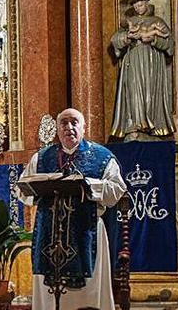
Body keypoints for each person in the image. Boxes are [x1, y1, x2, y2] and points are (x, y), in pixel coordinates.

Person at [19, 108, 127, 309]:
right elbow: (22, 189)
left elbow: (117, 189)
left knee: (88, 292)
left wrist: (89, 186)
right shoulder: (41, 158)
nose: (69, 127)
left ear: (84, 127)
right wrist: (39, 187)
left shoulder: (102, 157)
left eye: (74, 122)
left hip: (87, 230)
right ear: (57, 129)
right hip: (49, 233)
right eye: (64, 123)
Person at [110, 0, 175, 140]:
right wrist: (127, 37)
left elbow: (169, 44)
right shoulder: (129, 23)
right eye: (136, 5)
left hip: (152, 63)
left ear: (146, 3)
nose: (139, 7)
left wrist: (152, 40)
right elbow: (115, 40)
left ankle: (153, 126)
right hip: (133, 62)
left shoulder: (157, 21)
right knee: (133, 92)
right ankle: (134, 126)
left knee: (150, 94)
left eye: (141, 4)